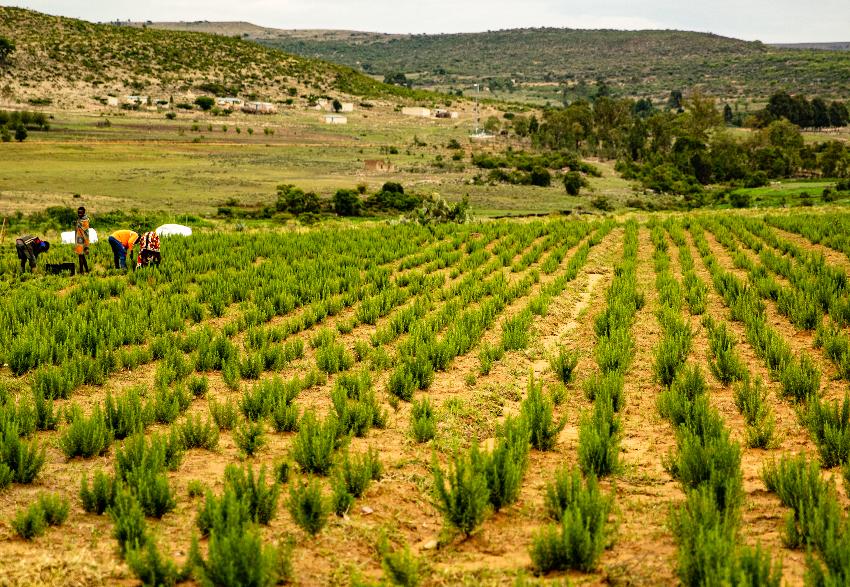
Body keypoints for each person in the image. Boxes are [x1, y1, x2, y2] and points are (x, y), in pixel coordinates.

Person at [74, 206, 90, 274]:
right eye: (78, 213)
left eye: (80, 213)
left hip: (82, 239)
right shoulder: (80, 219)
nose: (79, 214)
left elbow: (84, 231)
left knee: (80, 255)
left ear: (84, 213)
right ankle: (87, 270)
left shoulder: (84, 221)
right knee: (82, 255)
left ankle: (81, 271)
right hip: (80, 238)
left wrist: (76, 224)